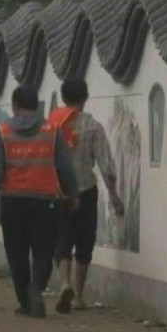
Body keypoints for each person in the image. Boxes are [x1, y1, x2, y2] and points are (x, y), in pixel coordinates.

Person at [0, 85, 79, 318]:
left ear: (14, 106)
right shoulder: (52, 131)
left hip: (13, 202)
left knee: (16, 252)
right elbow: (65, 167)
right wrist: (72, 194)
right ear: (37, 106)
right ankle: (37, 288)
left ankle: (25, 301)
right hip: (45, 202)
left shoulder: (4, 132)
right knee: (44, 250)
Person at [48, 80, 124, 313]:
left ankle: (63, 284)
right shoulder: (93, 126)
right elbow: (105, 164)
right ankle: (79, 296)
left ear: (63, 97)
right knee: (84, 241)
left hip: (58, 192)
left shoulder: (52, 125)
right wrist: (113, 195)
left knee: (62, 238)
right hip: (86, 192)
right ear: (85, 98)